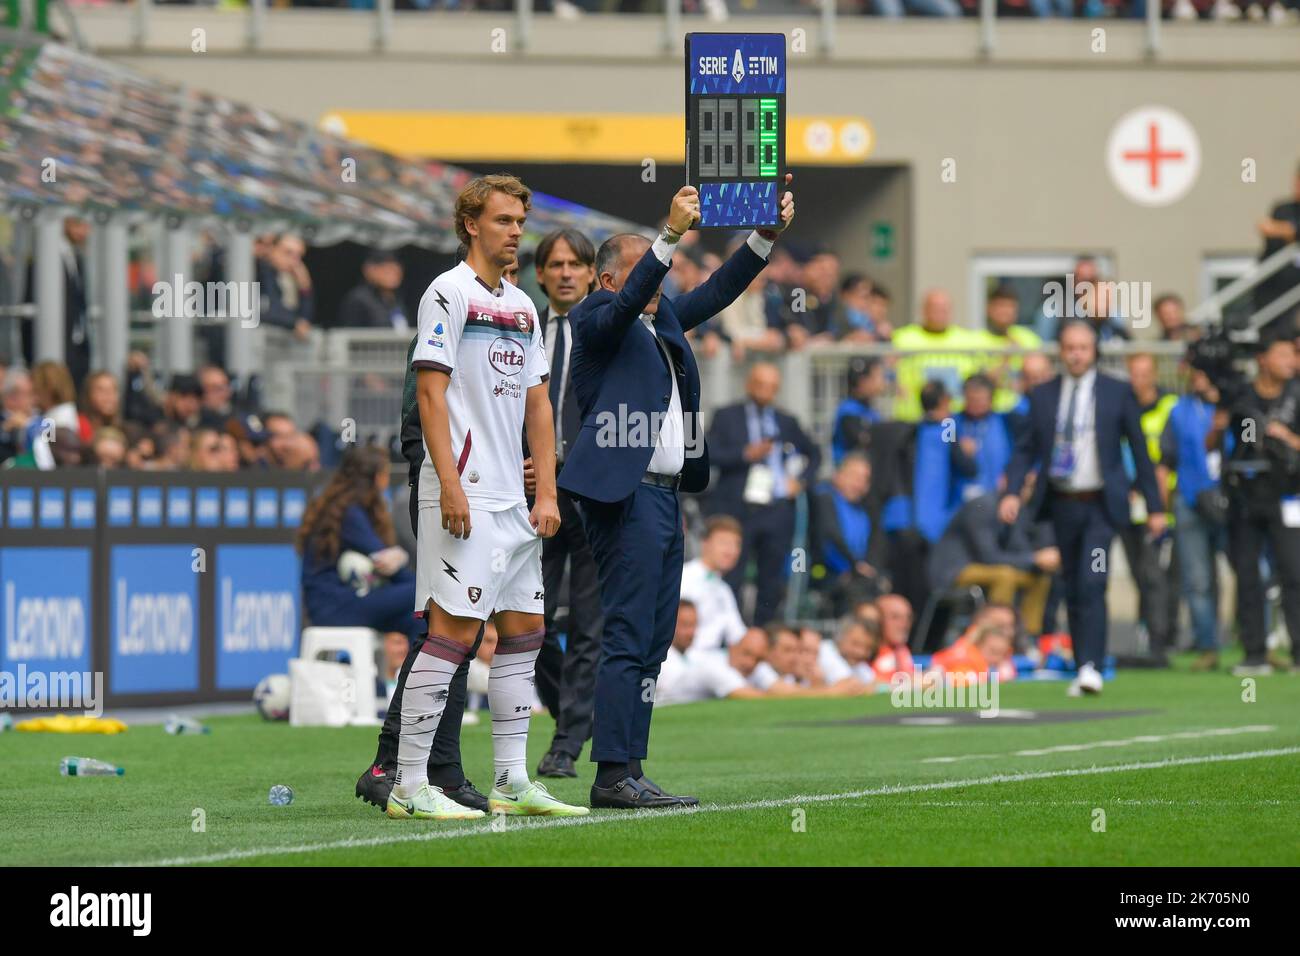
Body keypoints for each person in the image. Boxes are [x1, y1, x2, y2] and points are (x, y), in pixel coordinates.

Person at [559, 176, 795, 809]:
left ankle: (631, 766)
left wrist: (763, 237)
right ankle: (611, 773)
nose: (655, 278)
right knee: (627, 635)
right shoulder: (596, 320)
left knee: (654, 642)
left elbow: (716, 291)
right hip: (625, 495)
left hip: (665, 495)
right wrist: (668, 234)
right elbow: (636, 291)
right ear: (608, 280)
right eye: (642, 270)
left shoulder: (660, 320)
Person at [367, 173, 584, 822]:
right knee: (452, 635)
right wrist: (451, 483)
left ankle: (512, 781)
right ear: (470, 225)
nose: (515, 230)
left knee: (524, 633)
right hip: (461, 493)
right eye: (502, 220)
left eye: (520, 220)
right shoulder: (446, 293)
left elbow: (540, 406)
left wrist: (546, 491)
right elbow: (430, 394)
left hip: (513, 504)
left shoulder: (521, 305)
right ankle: (407, 783)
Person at [1000, 320, 1165, 697]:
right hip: (1062, 504)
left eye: (1083, 348)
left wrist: (1154, 507)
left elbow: (1140, 450)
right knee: (1071, 584)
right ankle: (1081, 665)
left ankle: (1092, 665)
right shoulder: (1042, 394)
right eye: (1069, 347)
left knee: (1093, 579)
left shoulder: (1116, 392)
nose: (1076, 354)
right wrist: (1012, 490)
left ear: (1094, 351)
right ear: (1061, 350)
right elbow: (1025, 447)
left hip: (1100, 507)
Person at [526, 228, 606, 781]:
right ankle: (571, 715)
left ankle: (567, 743)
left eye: (576, 263)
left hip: (596, 493)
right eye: (555, 264)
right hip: (533, 495)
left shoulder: (607, 326)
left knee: (588, 625)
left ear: (591, 272)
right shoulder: (520, 324)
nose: (565, 273)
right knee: (526, 623)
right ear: (540, 274)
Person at [1207, 335, 1300, 675]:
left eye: (1294, 354)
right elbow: (1221, 430)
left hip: (1288, 494)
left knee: (1294, 573)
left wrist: (1287, 439)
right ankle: (1254, 653)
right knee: (1247, 574)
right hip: (1245, 493)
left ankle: (1297, 653)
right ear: (1263, 358)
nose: (1291, 360)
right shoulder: (1242, 395)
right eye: (1284, 352)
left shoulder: (1297, 394)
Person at [708, 361, 821, 625]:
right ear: (749, 384)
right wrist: (744, 454)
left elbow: (814, 453)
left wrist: (800, 481)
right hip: (738, 507)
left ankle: (762, 632)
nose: (765, 391)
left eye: (772, 386)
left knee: (771, 577)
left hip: (776, 508)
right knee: (732, 574)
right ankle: (731, 633)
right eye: (760, 384)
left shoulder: (786, 421)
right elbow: (709, 453)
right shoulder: (727, 416)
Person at [297, 446, 422, 644]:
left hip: (337, 604)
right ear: (377, 477)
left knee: (418, 622)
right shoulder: (348, 513)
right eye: (385, 473)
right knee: (427, 590)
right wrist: (417, 580)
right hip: (335, 607)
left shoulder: (343, 506)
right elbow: (385, 563)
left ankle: (414, 675)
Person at [1158, 367, 1226, 671]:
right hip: (1189, 498)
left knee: (1254, 572)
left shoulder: (1234, 407)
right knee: (1197, 579)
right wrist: (1160, 507)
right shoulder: (1179, 411)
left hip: (1231, 500)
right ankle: (1207, 643)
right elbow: (1166, 460)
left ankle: (1259, 643)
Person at [928, 488, 1058, 639]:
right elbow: (988, 557)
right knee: (1005, 575)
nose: (1028, 491)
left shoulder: (1019, 511)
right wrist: (1035, 558)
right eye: (1024, 484)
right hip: (954, 570)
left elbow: (1019, 550)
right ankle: (996, 637)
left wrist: (1042, 561)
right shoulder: (983, 506)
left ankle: (1027, 639)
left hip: (989, 569)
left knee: (1039, 578)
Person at [1117, 353, 1179, 666]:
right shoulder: (1121, 405)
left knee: (1156, 575)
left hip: (1157, 501)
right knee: (1139, 575)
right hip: (1128, 502)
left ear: (1154, 374)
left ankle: (1161, 641)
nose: (1139, 379)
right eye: (1133, 373)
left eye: (1144, 373)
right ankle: (1149, 635)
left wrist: (1159, 499)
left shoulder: (1170, 406)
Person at [812, 452, 887, 615]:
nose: (859, 484)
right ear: (838, 475)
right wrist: (855, 566)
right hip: (820, 570)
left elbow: (874, 546)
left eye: (865, 479)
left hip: (854, 574)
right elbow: (829, 535)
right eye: (854, 476)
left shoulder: (863, 511)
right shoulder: (824, 497)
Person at [891, 288, 981, 422]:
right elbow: (887, 369)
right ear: (923, 310)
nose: (940, 313)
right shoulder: (903, 338)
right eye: (935, 308)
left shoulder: (966, 339)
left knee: (948, 442)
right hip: (912, 416)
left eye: (944, 309)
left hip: (952, 416)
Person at [654, 600, 765, 705]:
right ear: (668, 624)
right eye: (685, 625)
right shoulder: (657, 658)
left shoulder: (697, 654)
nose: (691, 632)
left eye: (694, 625)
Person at [679, 515, 747, 653]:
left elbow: (738, 636)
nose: (731, 551)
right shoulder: (683, 577)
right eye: (724, 543)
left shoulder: (724, 590)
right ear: (705, 543)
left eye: (736, 544)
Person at [978, 285, 1043, 414]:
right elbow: (980, 385)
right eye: (1000, 306)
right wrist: (1006, 358)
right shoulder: (976, 340)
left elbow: (1041, 378)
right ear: (989, 309)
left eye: (1010, 307)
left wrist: (1023, 384)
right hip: (990, 413)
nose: (1005, 312)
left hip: (1024, 409)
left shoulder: (1029, 338)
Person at [831, 356, 885, 466]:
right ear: (862, 382)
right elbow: (862, 439)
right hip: (852, 475)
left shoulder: (870, 410)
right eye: (876, 377)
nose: (882, 382)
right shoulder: (848, 411)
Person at [337, 250, 410, 330]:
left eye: (396, 266)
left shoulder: (397, 299)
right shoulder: (359, 299)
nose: (393, 271)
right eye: (385, 267)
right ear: (369, 270)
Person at [873, 593, 916, 682]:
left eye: (908, 617)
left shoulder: (901, 650)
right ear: (877, 620)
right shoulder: (867, 654)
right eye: (895, 617)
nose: (904, 624)